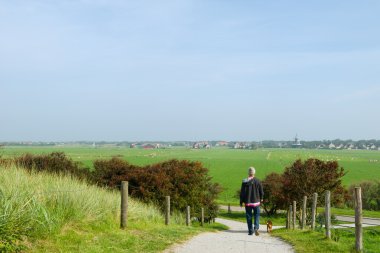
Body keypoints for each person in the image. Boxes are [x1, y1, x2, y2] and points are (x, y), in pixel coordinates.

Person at [240, 167, 264, 236]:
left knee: (249, 216)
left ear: (248, 173)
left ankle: (250, 231)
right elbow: (261, 191)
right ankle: (256, 228)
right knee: (257, 215)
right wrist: (261, 198)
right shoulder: (258, 181)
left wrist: (241, 201)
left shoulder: (244, 181)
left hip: (248, 202)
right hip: (256, 202)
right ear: (254, 173)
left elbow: (242, 192)